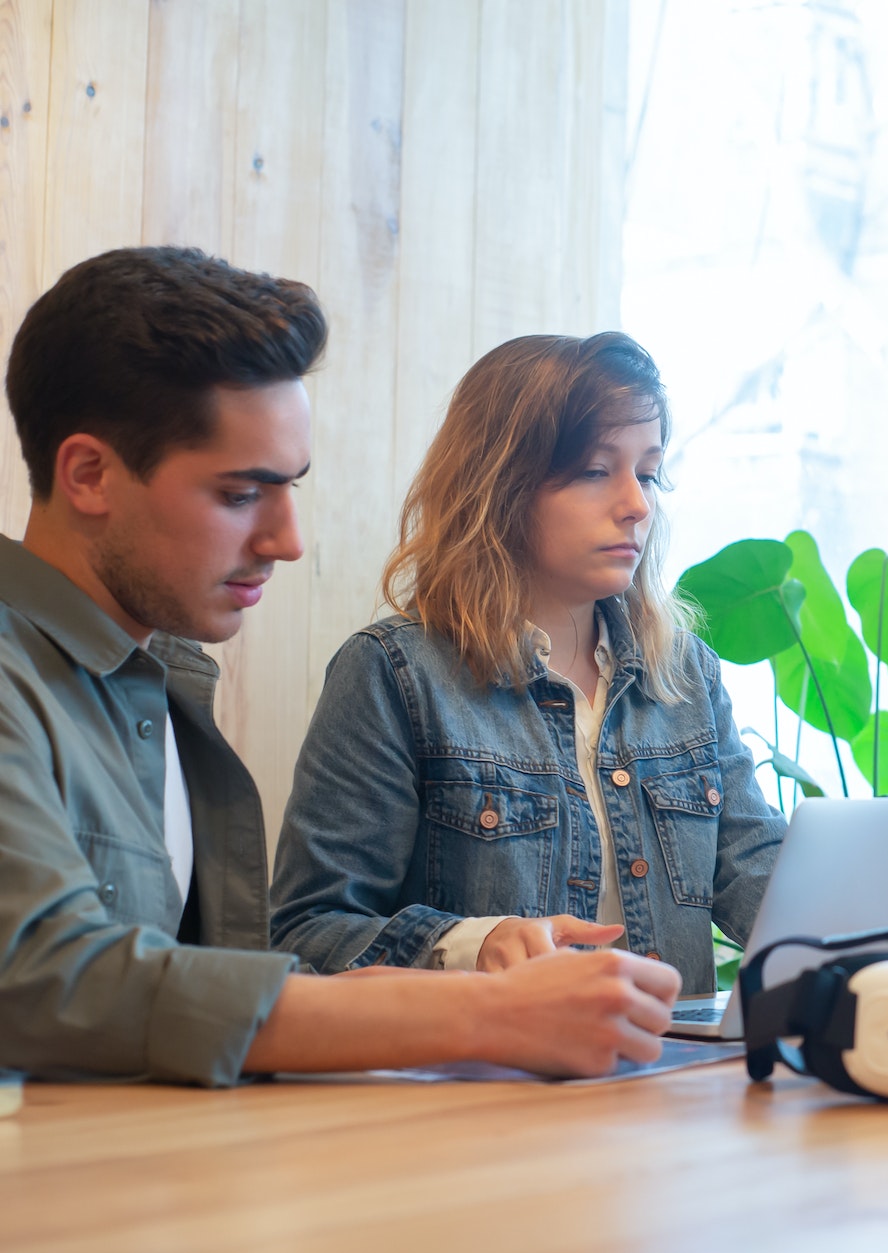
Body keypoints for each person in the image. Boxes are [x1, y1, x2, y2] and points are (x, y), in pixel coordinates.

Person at [0, 246, 681, 1085]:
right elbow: (45, 978)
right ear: (90, 475)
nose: (287, 540)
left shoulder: (166, 688)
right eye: (241, 494)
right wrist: (483, 1007)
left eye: (291, 489)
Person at [270, 333, 782, 990]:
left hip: (673, 1074)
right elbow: (308, 931)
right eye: (598, 470)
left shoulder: (685, 675)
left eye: (648, 473)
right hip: (488, 1082)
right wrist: (474, 945)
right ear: (501, 486)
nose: (637, 504)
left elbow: (759, 876)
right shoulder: (395, 675)